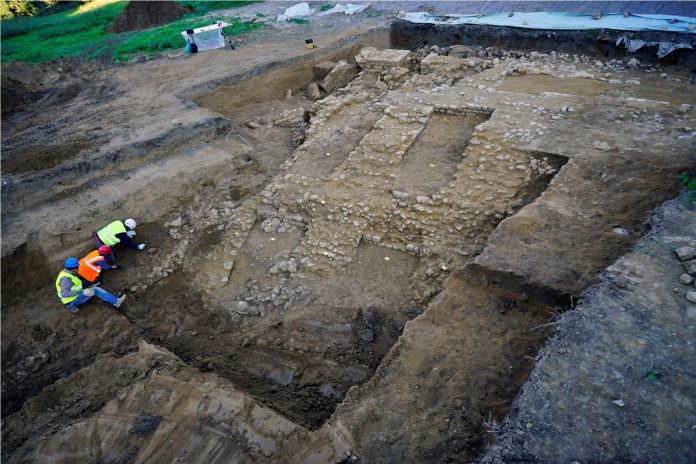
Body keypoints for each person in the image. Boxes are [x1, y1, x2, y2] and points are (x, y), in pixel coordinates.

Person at [56, 258, 125, 312]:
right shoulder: (66, 279)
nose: (78, 268)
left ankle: (71, 306)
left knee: (92, 287)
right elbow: (64, 293)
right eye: (77, 267)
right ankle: (116, 302)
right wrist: (81, 292)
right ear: (73, 268)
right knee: (96, 290)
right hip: (72, 300)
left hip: (71, 299)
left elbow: (74, 285)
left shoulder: (66, 272)